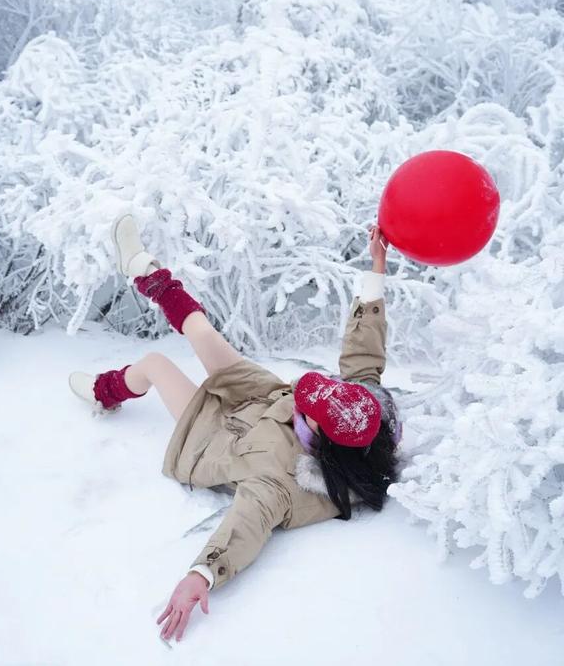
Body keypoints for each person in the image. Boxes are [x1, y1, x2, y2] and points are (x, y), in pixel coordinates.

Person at [69, 216, 402, 643]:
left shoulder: (281, 480)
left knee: (154, 364)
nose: (309, 391)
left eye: (312, 404)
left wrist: (201, 574)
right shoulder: (366, 414)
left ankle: (104, 392)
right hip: (261, 400)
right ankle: (141, 267)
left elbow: (246, 525)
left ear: (322, 441)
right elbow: (363, 357)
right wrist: (376, 269)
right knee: (201, 329)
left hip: (219, 438)